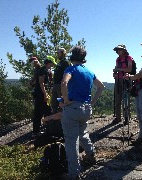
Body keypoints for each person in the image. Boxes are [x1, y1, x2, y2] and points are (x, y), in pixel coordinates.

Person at [60, 46, 104, 179]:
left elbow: (64, 83)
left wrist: (66, 100)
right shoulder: (89, 72)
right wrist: (93, 102)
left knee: (71, 141)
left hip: (72, 108)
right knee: (83, 132)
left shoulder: (71, 69)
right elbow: (101, 87)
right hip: (86, 108)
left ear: (72, 56)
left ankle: (74, 174)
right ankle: (91, 155)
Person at [32, 56, 56, 137]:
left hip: (46, 94)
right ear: (49, 63)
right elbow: (41, 82)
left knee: (47, 112)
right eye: (52, 63)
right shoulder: (43, 70)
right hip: (40, 94)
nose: (53, 65)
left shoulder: (48, 70)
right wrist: (45, 94)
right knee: (38, 112)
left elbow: (48, 83)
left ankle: (47, 130)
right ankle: (36, 132)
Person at [112, 44, 134, 124]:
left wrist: (118, 69)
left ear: (124, 50)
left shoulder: (129, 58)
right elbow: (117, 69)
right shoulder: (118, 59)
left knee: (126, 99)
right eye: (117, 50)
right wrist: (115, 73)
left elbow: (129, 69)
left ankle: (126, 118)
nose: (118, 51)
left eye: (119, 49)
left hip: (126, 80)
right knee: (118, 99)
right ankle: (118, 118)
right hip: (118, 79)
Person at [51, 47, 70, 114]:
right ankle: (54, 118)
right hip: (56, 85)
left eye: (58, 53)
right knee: (54, 102)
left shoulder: (65, 63)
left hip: (61, 86)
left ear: (63, 53)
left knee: (61, 102)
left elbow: (67, 74)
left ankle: (61, 119)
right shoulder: (59, 63)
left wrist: (64, 86)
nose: (57, 54)